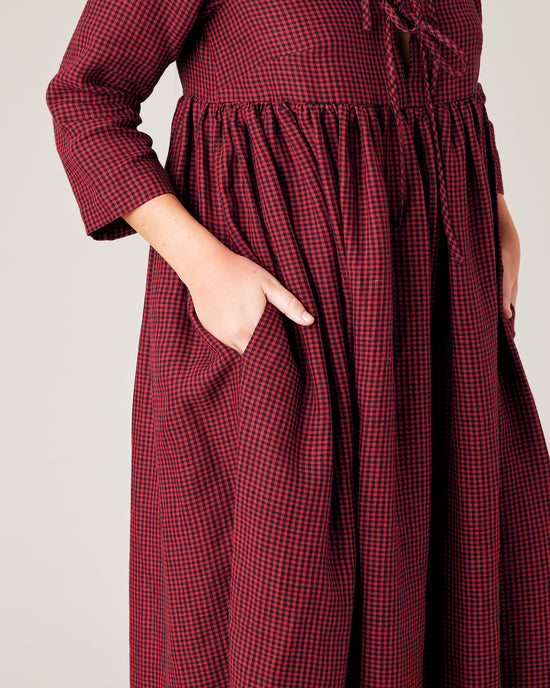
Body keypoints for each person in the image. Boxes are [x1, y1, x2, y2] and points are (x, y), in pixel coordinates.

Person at [45, 0, 550, 685]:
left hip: (440, 335)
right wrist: (204, 268)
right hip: (289, 343)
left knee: (453, 613)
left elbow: (438, 94)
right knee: (286, 623)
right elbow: (87, 95)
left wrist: (495, 211)